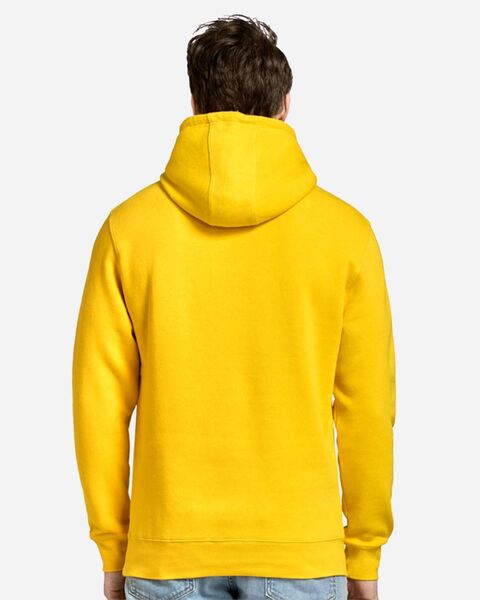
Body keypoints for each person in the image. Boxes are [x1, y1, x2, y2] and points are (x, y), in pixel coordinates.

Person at [72, 13, 396, 600]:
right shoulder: (346, 234)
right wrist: (364, 558)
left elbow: (99, 405)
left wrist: (114, 550)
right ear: (285, 105)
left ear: (195, 105)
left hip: (167, 552)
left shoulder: (128, 230)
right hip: (302, 553)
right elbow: (367, 410)